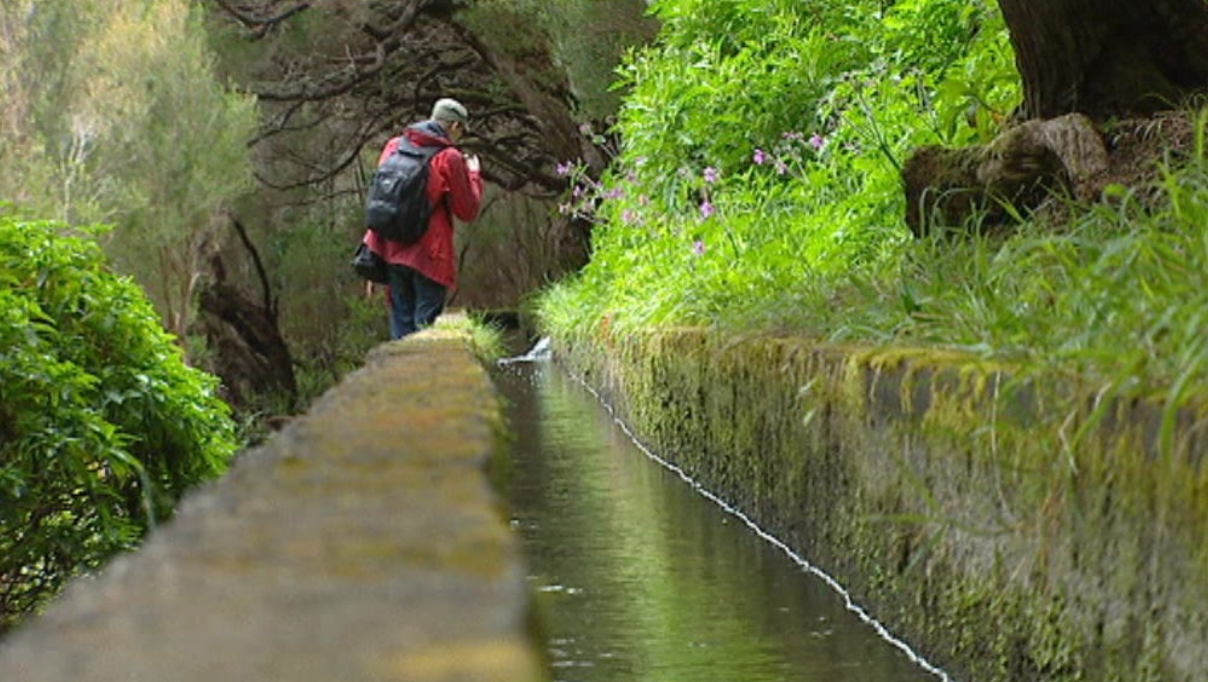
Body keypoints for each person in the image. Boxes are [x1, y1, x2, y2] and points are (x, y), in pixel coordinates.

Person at [362, 98, 484, 339]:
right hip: (430, 255)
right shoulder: (449, 157)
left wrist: (371, 248)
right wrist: (473, 174)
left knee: (402, 329)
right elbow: (466, 210)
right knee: (426, 330)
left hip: (392, 250)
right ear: (454, 126)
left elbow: (382, 202)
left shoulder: (394, 146)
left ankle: (403, 375)